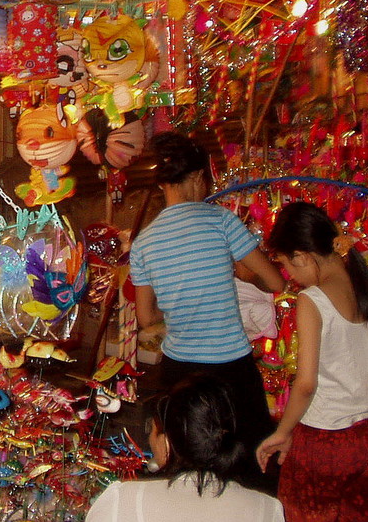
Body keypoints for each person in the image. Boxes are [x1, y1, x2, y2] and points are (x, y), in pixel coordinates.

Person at [128, 131, 284, 488]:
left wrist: (181, 297)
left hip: (179, 373)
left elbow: (146, 318)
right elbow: (275, 283)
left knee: (185, 468)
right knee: (250, 468)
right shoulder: (221, 221)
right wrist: (234, 273)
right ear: (198, 177)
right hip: (232, 371)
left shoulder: (144, 243)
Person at [256, 202, 368, 521]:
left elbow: (306, 384)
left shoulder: (313, 300)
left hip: (324, 439)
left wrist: (282, 433)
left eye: (288, 265)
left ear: (302, 255)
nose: (292, 276)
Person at [85, 374, 285, 522]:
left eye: (153, 431)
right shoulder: (267, 509)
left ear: (167, 443)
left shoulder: (122, 499)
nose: (150, 440)